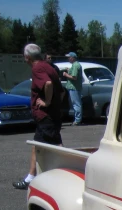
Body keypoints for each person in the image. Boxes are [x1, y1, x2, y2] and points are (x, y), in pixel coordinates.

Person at [13, 43, 65, 190]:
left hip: (46, 117)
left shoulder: (38, 68)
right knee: (39, 146)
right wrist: (55, 106)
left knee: (55, 148)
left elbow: (47, 84)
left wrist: (47, 102)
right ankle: (32, 177)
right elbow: (61, 92)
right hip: (51, 117)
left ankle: (65, 176)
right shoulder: (48, 66)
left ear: (27, 57)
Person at [61, 51, 83, 125]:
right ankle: (77, 119)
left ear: (73, 58)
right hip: (75, 87)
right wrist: (69, 70)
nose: (68, 59)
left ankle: (77, 120)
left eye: (69, 57)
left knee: (76, 104)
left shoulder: (75, 65)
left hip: (74, 87)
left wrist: (66, 74)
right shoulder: (75, 65)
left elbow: (74, 77)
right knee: (76, 103)